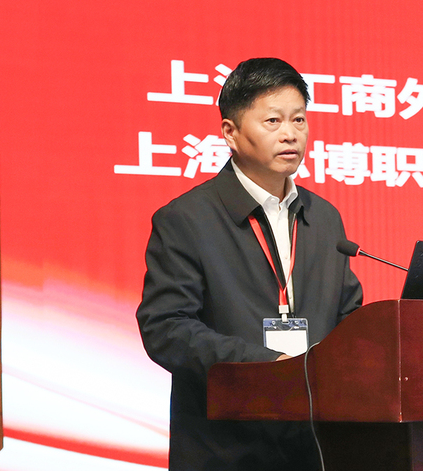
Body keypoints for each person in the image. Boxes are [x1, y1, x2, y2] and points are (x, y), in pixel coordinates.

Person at [136, 57, 363, 470]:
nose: (290, 134)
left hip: (314, 448)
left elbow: (348, 315)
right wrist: (267, 366)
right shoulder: (187, 219)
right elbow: (165, 327)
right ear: (231, 133)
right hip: (225, 449)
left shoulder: (324, 218)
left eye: (299, 119)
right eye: (273, 121)